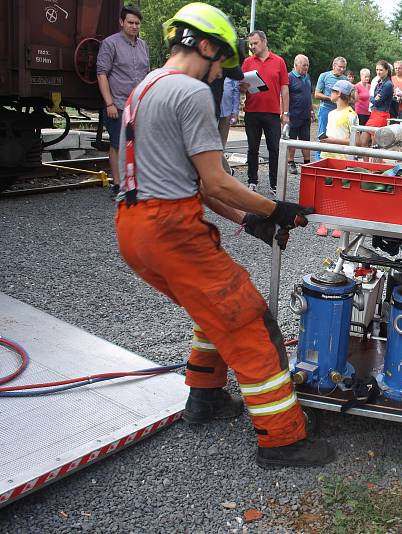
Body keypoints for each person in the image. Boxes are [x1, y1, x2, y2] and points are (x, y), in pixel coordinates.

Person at [114, 2, 335, 467]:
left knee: (210, 308)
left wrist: (248, 221)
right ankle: (283, 439)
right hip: (171, 230)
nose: (221, 77)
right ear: (207, 47)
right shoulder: (190, 92)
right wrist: (278, 208)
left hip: (135, 228)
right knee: (247, 319)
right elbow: (215, 182)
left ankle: (206, 399)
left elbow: (190, 183)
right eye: (221, 66)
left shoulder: (145, 87)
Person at [96, 3, 149, 198]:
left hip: (138, 105)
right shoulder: (110, 44)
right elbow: (102, 73)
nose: (134, 26)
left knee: (138, 144)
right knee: (118, 144)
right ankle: (117, 185)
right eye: (130, 22)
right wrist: (109, 103)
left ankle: (134, 183)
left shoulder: (143, 46)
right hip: (117, 104)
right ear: (121, 22)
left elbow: (146, 73)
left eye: (137, 23)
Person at [241, 30, 289, 194]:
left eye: (255, 43)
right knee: (252, 148)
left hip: (272, 113)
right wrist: (243, 87)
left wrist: (286, 113)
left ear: (264, 42)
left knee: (274, 149)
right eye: (251, 44)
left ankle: (274, 184)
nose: (253, 46)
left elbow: (285, 88)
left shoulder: (279, 61)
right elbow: (240, 86)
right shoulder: (247, 62)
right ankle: (252, 180)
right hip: (252, 111)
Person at [316, 80, 358, 239]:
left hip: (342, 158)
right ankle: (324, 222)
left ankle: (339, 223)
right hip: (329, 156)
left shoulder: (351, 115)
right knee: (327, 189)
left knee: (341, 190)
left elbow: (356, 141)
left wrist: (333, 141)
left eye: (333, 91)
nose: (330, 93)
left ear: (339, 93)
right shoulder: (331, 113)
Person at [313, 57, 348, 160]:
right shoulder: (324, 76)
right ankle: (318, 159)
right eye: (340, 67)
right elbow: (317, 94)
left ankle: (334, 158)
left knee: (337, 135)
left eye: (344, 68)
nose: (342, 70)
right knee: (323, 134)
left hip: (340, 111)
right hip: (326, 108)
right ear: (334, 66)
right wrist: (331, 98)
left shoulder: (345, 79)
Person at [287, 54, 314, 174]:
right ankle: (290, 162)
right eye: (304, 65)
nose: (306, 67)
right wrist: (285, 114)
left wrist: (312, 110)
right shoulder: (289, 77)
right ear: (296, 65)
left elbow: (309, 95)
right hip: (293, 114)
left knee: (306, 140)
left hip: (305, 114)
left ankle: (307, 162)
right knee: (292, 140)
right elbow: (284, 96)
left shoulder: (307, 76)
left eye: (307, 65)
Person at [357, 60, 393, 149]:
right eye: (377, 70)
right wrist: (374, 98)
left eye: (381, 70)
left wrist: (370, 97)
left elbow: (377, 101)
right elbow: (375, 99)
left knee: (375, 146)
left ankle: (375, 162)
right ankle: (366, 163)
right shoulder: (379, 82)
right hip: (374, 114)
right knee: (363, 142)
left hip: (381, 115)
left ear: (386, 70)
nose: (378, 72)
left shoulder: (388, 84)